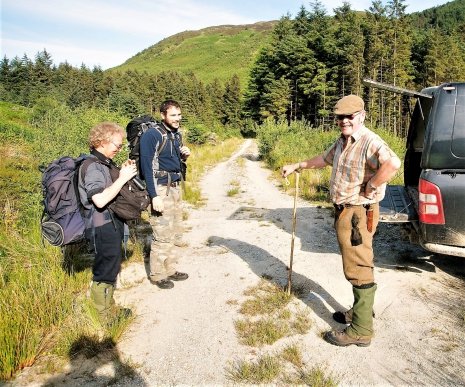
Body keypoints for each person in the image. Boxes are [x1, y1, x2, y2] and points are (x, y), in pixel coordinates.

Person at [282, 95, 401, 347]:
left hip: (358, 212)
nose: (344, 120)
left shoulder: (369, 141)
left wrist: (372, 185)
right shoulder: (343, 141)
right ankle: (360, 312)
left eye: (350, 116)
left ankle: (360, 330)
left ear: (362, 116)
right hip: (346, 211)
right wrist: (298, 165)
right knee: (357, 263)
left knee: (358, 266)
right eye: (340, 117)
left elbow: (393, 163)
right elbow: (324, 160)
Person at [78, 122, 138, 322]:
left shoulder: (103, 163)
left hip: (110, 223)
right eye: (117, 145)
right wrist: (122, 178)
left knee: (111, 265)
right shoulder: (93, 166)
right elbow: (100, 199)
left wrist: (121, 172)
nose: (119, 149)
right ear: (102, 141)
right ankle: (103, 317)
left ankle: (109, 308)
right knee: (105, 270)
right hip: (101, 224)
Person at [139, 99, 191, 289]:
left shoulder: (176, 134)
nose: (177, 119)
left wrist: (184, 155)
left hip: (175, 187)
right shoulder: (152, 136)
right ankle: (158, 274)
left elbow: (171, 159)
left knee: (176, 231)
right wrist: (154, 196)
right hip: (160, 188)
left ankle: (170, 269)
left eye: (179, 115)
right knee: (162, 233)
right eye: (173, 115)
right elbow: (147, 167)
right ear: (163, 115)